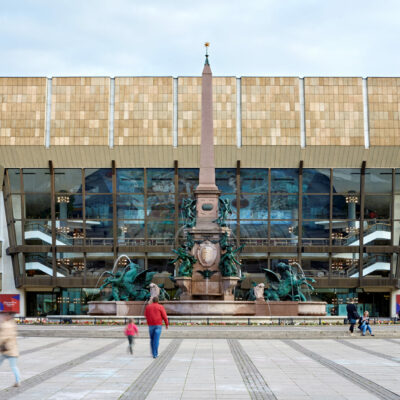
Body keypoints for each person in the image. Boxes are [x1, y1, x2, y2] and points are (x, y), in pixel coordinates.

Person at [0, 312, 21, 387]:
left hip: (7, 349)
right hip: (12, 349)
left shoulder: (6, 325)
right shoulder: (12, 324)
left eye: (4, 315)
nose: (2, 316)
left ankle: (18, 381)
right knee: (14, 366)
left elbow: (3, 337)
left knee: (13, 366)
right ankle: (18, 381)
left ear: (8, 316)